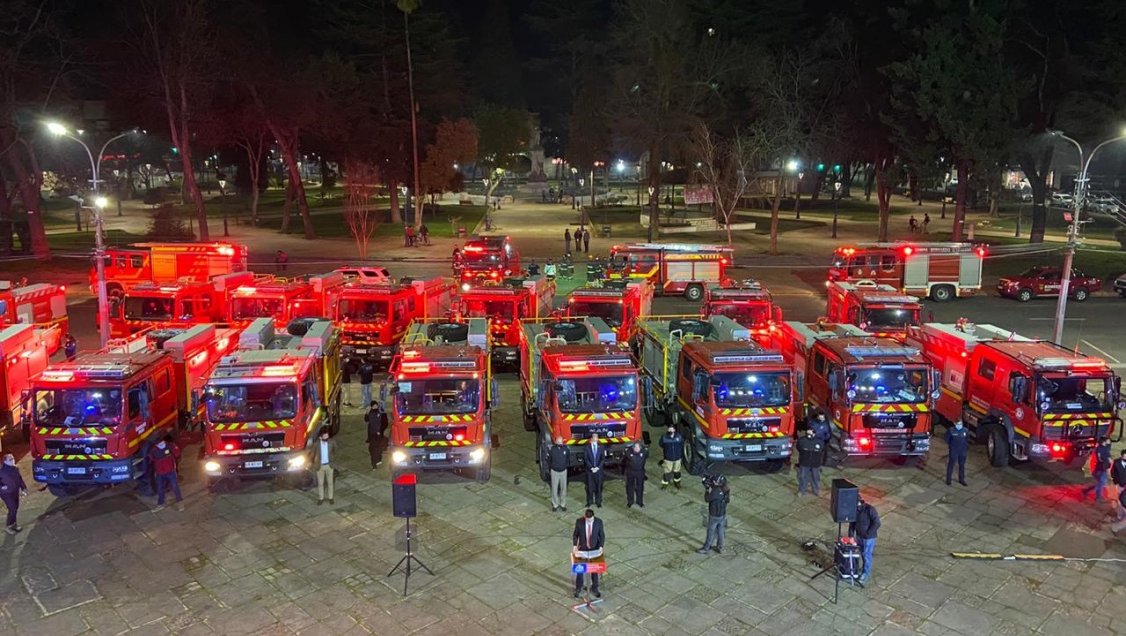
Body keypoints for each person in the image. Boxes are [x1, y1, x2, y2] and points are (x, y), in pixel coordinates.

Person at [572, 509, 605, 598]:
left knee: (594, 569)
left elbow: (601, 535)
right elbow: (575, 534)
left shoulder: (598, 522)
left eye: (590, 520)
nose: (588, 521)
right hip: (583, 549)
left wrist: (601, 546)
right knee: (580, 570)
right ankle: (579, 587)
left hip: (594, 549)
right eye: (587, 519)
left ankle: (595, 587)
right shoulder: (579, 522)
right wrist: (575, 545)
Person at [849, 496, 881, 584]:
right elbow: (852, 523)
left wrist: (868, 534)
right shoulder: (855, 510)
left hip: (868, 538)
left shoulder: (870, 509)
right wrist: (851, 536)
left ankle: (865, 573)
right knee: (862, 554)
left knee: (866, 555)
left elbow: (877, 523)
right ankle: (862, 569)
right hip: (859, 536)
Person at [697, 476, 730, 555]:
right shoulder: (726, 489)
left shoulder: (715, 492)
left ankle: (706, 548)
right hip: (722, 514)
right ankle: (720, 547)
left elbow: (707, 499)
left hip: (714, 515)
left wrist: (707, 489)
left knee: (711, 532)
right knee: (720, 531)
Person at [149, 435, 183, 511]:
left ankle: (180, 503)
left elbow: (177, 453)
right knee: (160, 489)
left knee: (175, 487)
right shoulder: (154, 450)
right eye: (159, 444)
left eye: (161, 443)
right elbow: (151, 458)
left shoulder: (170, 446)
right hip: (160, 473)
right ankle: (161, 504)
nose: (161, 444)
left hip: (170, 471)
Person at [1, 453, 28, 534]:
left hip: (15, 491)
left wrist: (24, 488)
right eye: (10, 459)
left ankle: (14, 524)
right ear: (5, 461)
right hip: (6, 493)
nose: (13, 460)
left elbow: (19, 479)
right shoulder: (1, 470)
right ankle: (8, 526)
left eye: (13, 458)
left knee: (15, 507)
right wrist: (2, 486)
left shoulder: (15, 468)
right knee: (12, 508)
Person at [796, 428, 824, 496]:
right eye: (807, 433)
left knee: (815, 477)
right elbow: (798, 448)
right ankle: (802, 491)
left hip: (815, 463)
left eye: (810, 433)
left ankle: (816, 491)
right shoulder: (801, 440)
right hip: (804, 462)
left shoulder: (819, 442)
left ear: (814, 434)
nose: (808, 435)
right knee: (802, 477)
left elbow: (822, 450)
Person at [1083, 437, 1113, 501]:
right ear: (1103, 442)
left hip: (1103, 468)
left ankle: (1087, 491)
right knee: (1102, 482)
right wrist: (1107, 460)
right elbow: (1099, 458)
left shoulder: (1106, 447)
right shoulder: (1100, 449)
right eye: (1108, 440)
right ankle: (1098, 497)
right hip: (1100, 468)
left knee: (1101, 483)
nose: (1109, 441)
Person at [658, 426, 684, 490]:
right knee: (667, 472)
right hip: (668, 458)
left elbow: (682, 444)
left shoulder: (679, 436)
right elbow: (661, 444)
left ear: (674, 430)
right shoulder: (664, 437)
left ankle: (677, 483)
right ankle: (665, 484)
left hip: (677, 458)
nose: (670, 430)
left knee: (677, 472)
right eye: (669, 429)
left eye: (672, 429)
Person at [548, 436, 569, 512]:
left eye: (561, 442)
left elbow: (567, 459)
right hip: (554, 472)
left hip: (563, 471)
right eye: (558, 442)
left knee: (563, 488)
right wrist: (552, 467)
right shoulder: (552, 450)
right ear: (556, 442)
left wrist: (565, 466)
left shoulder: (566, 449)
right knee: (554, 488)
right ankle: (555, 504)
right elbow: (549, 460)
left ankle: (563, 504)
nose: (560, 443)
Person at [945, 420, 970, 486]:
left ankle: (961, 480)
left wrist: (965, 448)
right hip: (954, 451)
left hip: (962, 451)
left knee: (962, 466)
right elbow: (947, 439)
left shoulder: (965, 430)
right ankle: (948, 480)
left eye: (960, 424)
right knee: (951, 465)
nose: (959, 425)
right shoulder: (951, 430)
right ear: (954, 423)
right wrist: (951, 447)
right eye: (958, 424)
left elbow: (967, 439)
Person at [583, 433, 605, 507]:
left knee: (599, 487)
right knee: (589, 487)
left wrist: (598, 468)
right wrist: (591, 468)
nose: (595, 439)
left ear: (597, 439)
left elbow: (603, 459)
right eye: (594, 437)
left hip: (598, 471)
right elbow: (586, 459)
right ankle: (589, 501)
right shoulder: (587, 448)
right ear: (591, 439)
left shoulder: (601, 447)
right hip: (590, 471)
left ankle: (598, 502)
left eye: (596, 438)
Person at [316, 427, 337, 505]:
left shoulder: (332, 442)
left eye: (327, 436)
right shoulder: (317, 444)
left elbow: (335, 451)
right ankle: (321, 498)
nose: (326, 437)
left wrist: (332, 460)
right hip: (320, 466)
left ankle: (330, 498)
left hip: (329, 465)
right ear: (320, 436)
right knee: (320, 483)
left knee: (330, 482)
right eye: (324, 436)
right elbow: (312, 454)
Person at [624, 442, 648, 508]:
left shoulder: (644, 452)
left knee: (640, 487)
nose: (637, 449)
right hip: (630, 472)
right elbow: (626, 454)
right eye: (635, 447)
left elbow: (647, 454)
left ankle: (640, 502)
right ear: (633, 448)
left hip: (640, 472)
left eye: (638, 447)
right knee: (630, 487)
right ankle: (630, 502)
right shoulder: (629, 453)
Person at [365, 402, 387, 469]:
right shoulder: (370, 413)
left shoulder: (380, 413)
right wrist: (366, 413)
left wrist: (380, 431)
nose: (375, 407)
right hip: (373, 434)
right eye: (373, 406)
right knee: (374, 449)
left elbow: (384, 423)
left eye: (376, 406)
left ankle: (376, 462)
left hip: (378, 434)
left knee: (377, 449)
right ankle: (375, 463)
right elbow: (366, 420)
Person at [1112, 449, 1126, 522]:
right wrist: (1116, 482)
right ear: (1122, 456)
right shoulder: (1116, 462)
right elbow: (1113, 473)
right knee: (1120, 501)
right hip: (1120, 484)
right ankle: (1120, 515)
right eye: (1124, 457)